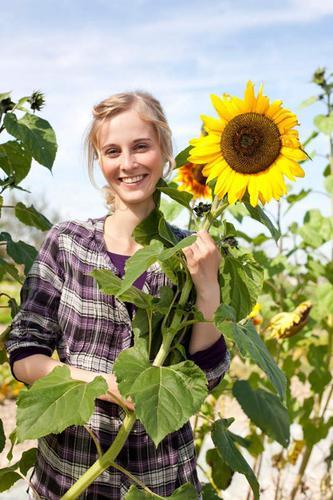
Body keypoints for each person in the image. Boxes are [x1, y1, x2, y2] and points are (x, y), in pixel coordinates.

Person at [5, 91, 231, 499]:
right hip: (70, 472)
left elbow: (206, 376)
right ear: (99, 161)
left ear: (165, 151)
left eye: (141, 146)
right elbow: (24, 355)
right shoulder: (67, 244)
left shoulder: (189, 253)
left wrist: (208, 287)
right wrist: (99, 383)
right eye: (112, 151)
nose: (127, 163)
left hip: (160, 479)